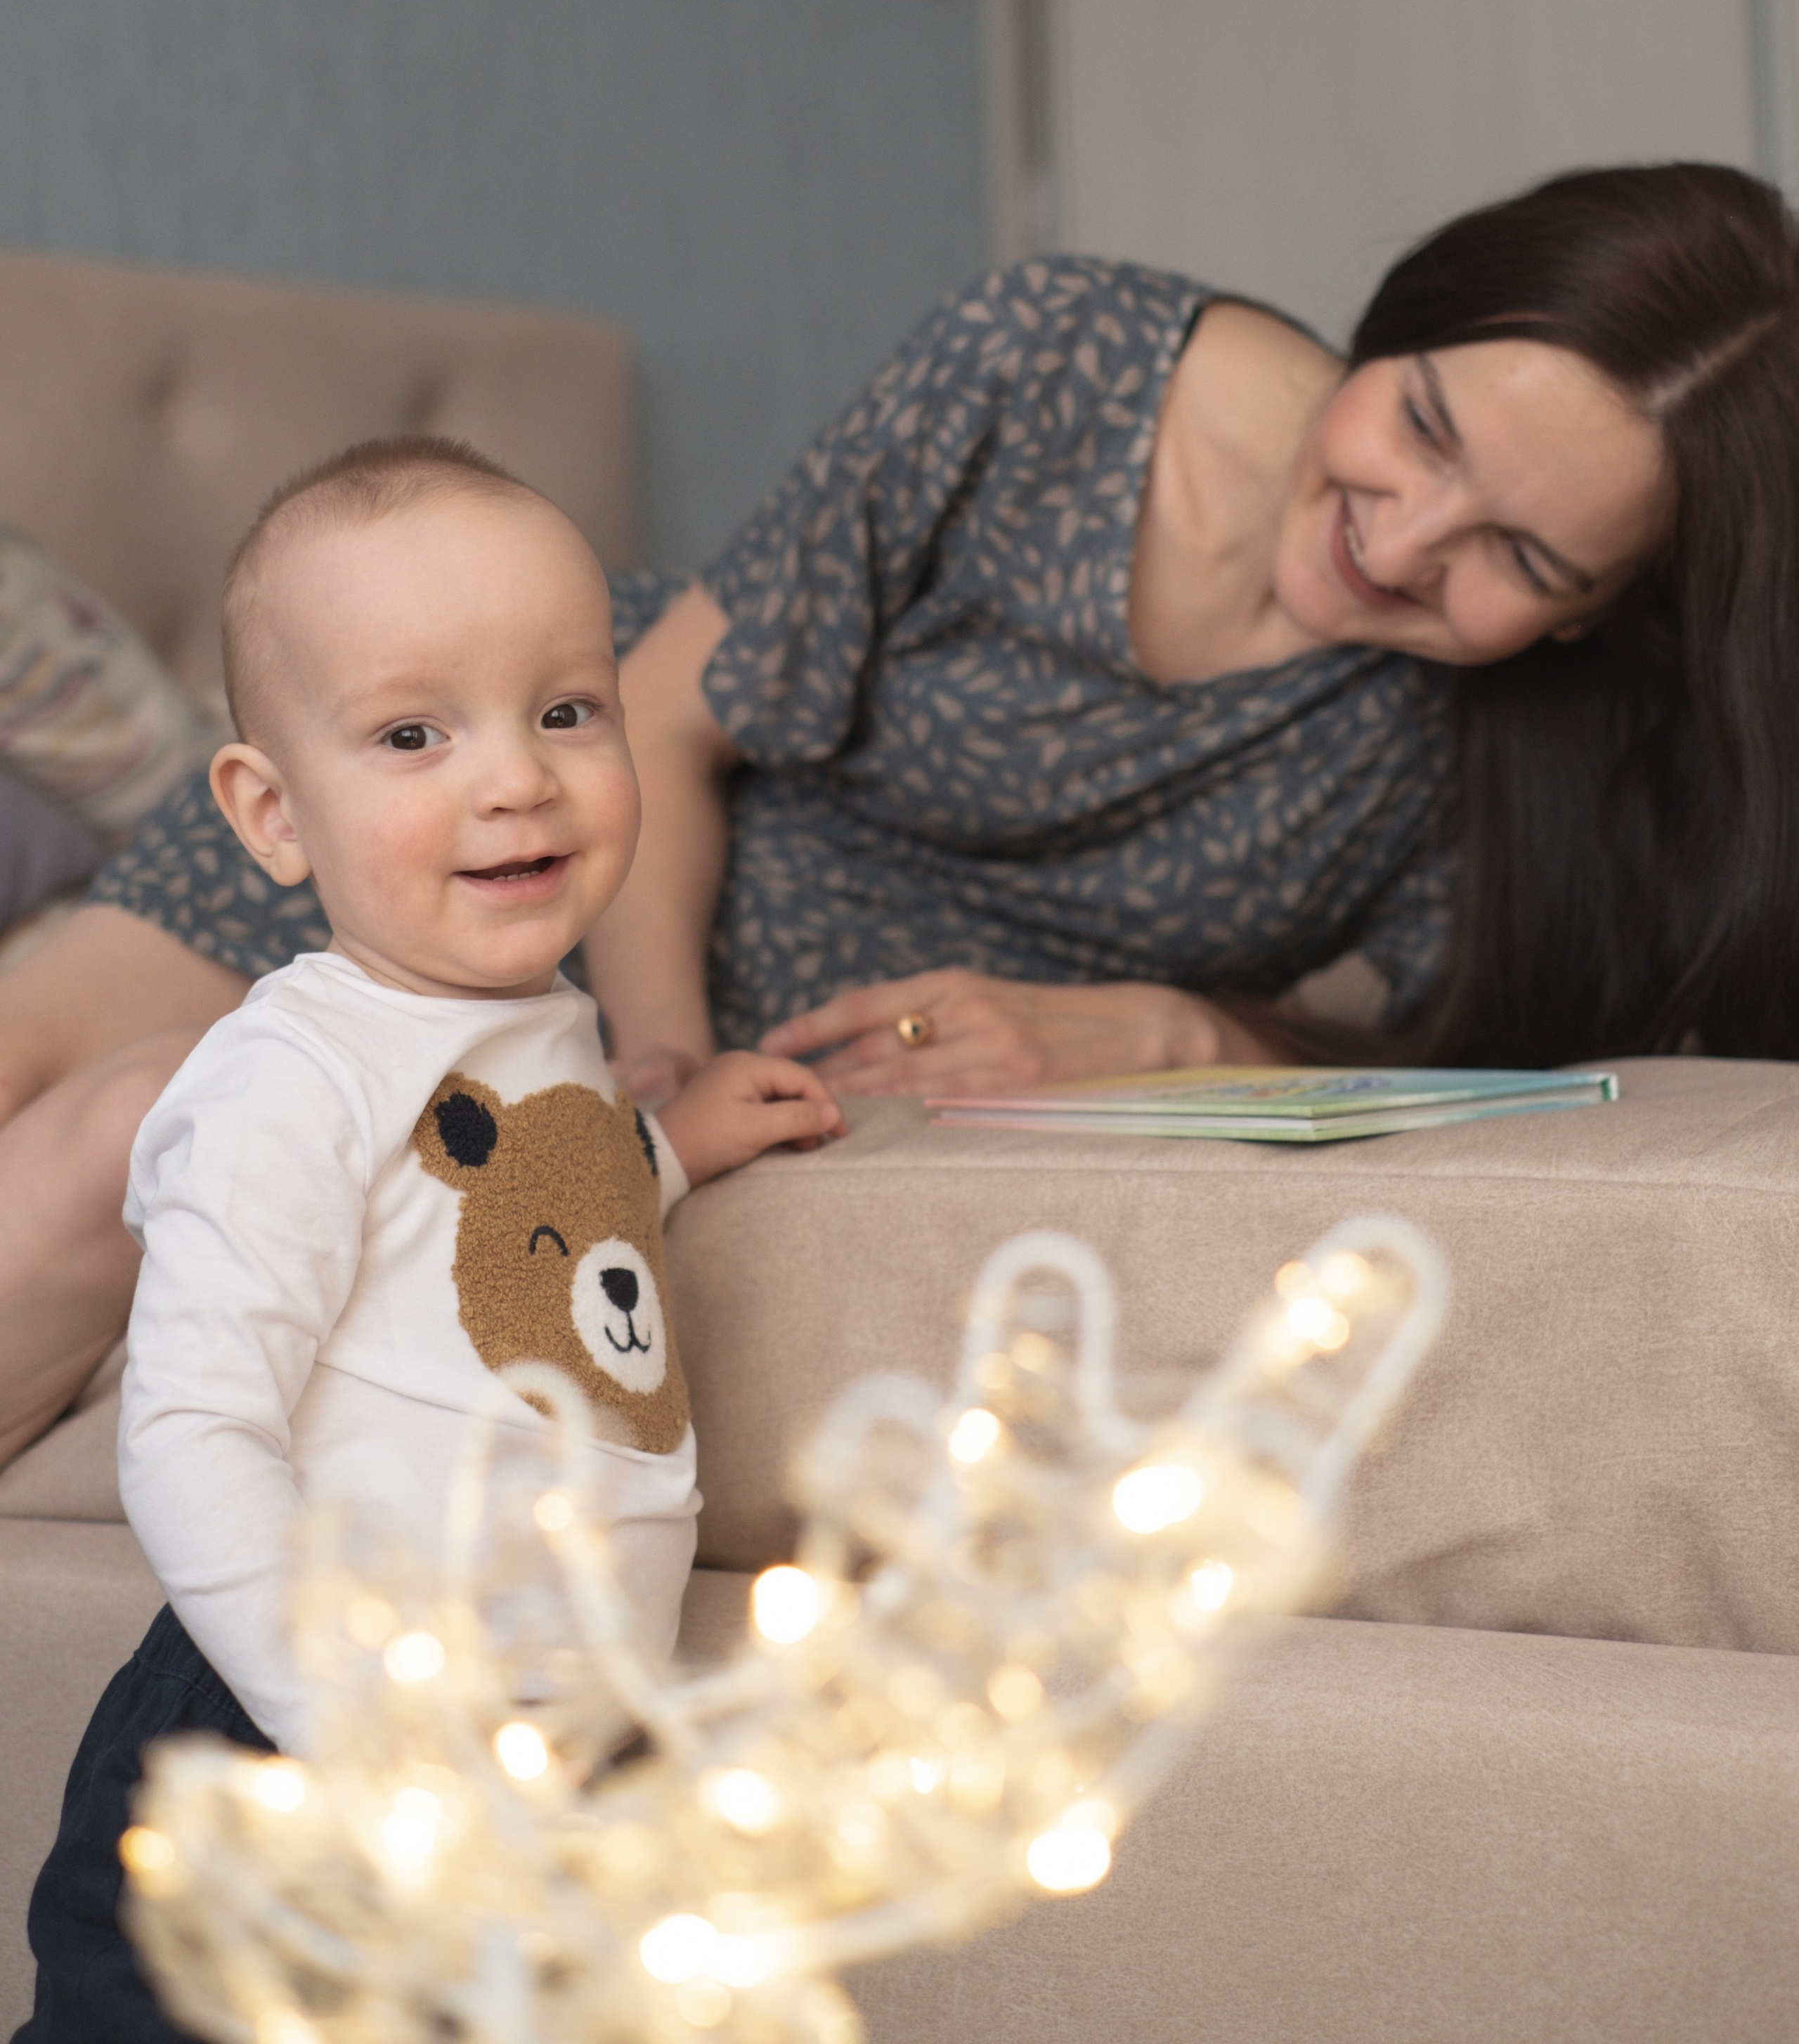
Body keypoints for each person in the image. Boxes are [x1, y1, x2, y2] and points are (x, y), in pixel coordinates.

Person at [2, 160, 1798, 1474]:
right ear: (1402, 318)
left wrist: (1166, 1026)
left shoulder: (1487, 761)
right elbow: (668, 722)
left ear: (1591, 614)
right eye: (1418, 426)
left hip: (673, 1005)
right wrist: (653, 1060)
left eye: (1519, 557)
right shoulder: (1058, 362)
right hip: (546, 805)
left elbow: (1446, 1052)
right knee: (52, 1078)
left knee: (127, 1142)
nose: (1401, 541)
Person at [17, 435, 842, 2044]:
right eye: (412, 733)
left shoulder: (533, 1024)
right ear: (271, 814)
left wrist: (663, 1152)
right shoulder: (283, 1080)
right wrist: (355, 1729)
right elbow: (191, 1436)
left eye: (564, 710)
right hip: (296, 1755)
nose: (516, 777)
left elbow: (499, 1235)